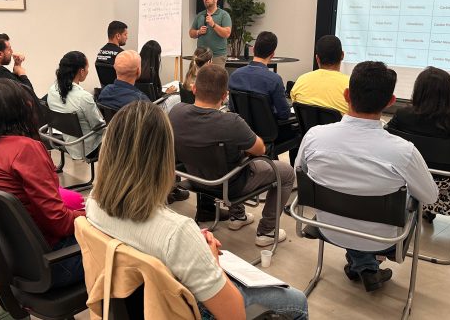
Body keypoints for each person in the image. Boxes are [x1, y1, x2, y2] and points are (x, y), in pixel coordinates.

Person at [87, 101, 308, 320]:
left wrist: (191, 244)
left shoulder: (93, 203)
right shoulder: (178, 232)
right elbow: (234, 316)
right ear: (165, 157)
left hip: (139, 300)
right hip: (185, 305)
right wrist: (212, 262)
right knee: (297, 301)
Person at [296, 61, 438, 292]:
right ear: (391, 102)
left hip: (327, 227)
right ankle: (366, 265)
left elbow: (299, 171)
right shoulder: (404, 152)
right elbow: (430, 197)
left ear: (346, 95)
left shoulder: (314, 136)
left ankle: (362, 265)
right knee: (408, 200)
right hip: (382, 240)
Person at [0, 78, 86, 287]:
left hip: (13, 261)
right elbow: (59, 223)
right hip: (53, 263)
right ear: (22, 109)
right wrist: (93, 217)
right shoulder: (26, 149)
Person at [169, 64, 294, 246]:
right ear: (224, 96)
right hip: (229, 185)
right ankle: (267, 231)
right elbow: (260, 150)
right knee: (286, 172)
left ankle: (238, 216)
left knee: (231, 157)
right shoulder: (231, 122)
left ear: (194, 89)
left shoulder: (176, 112)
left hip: (195, 180)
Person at [387, 66, 450, 221]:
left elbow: (388, 136)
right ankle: (430, 209)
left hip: (408, 177)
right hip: (445, 181)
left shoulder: (403, 115)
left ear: (418, 91)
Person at [228, 31, 300, 163]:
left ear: (253, 49)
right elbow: (284, 115)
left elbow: (232, 108)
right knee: (299, 130)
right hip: (269, 136)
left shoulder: (235, 76)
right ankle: (291, 170)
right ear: (272, 55)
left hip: (243, 132)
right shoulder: (274, 80)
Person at [46, 51, 105, 159]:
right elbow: (99, 128)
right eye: (87, 68)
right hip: (87, 148)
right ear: (81, 71)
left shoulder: (52, 90)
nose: (88, 71)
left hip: (68, 143)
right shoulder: (84, 97)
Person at [290, 35, 349, 115]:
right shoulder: (352, 85)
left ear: (317, 58)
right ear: (342, 55)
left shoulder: (301, 80)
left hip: (308, 124)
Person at [189, 0, 232, 66]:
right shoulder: (200, 15)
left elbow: (227, 34)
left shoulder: (224, 15)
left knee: (216, 74)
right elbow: (191, 33)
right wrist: (198, 32)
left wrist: (213, 25)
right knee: (200, 74)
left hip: (217, 57)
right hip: (201, 56)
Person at [137, 39, 180, 110]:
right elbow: (155, 98)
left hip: (139, 106)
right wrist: (167, 93)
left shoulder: (136, 70)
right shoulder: (151, 73)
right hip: (153, 108)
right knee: (177, 97)